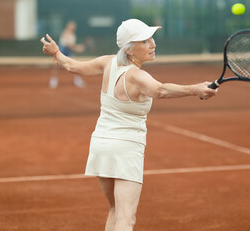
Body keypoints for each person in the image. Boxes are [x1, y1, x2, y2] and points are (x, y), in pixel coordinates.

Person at [41, 19, 217, 230]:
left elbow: (72, 66)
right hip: (125, 149)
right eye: (145, 41)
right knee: (126, 218)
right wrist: (196, 89)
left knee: (116, 210)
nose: (152, 44)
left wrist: (56, 52)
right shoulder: (136, 76)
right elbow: (161, 90)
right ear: (130, 49)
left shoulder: (108, 62)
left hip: (100, 146)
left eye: (151, 39)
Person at [49, 21, 86, 89]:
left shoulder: (73, 34)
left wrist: (76, 48)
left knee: (74, 65)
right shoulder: (65, 32)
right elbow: (68, 44)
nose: (73, 27)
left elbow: (70, 45)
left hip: (68, 52)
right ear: (68, 26)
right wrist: (77, 48)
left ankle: (77, 80)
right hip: (62, 50)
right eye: (72, 26)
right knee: (57, 66)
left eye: (74, 26)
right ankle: (53, 80)